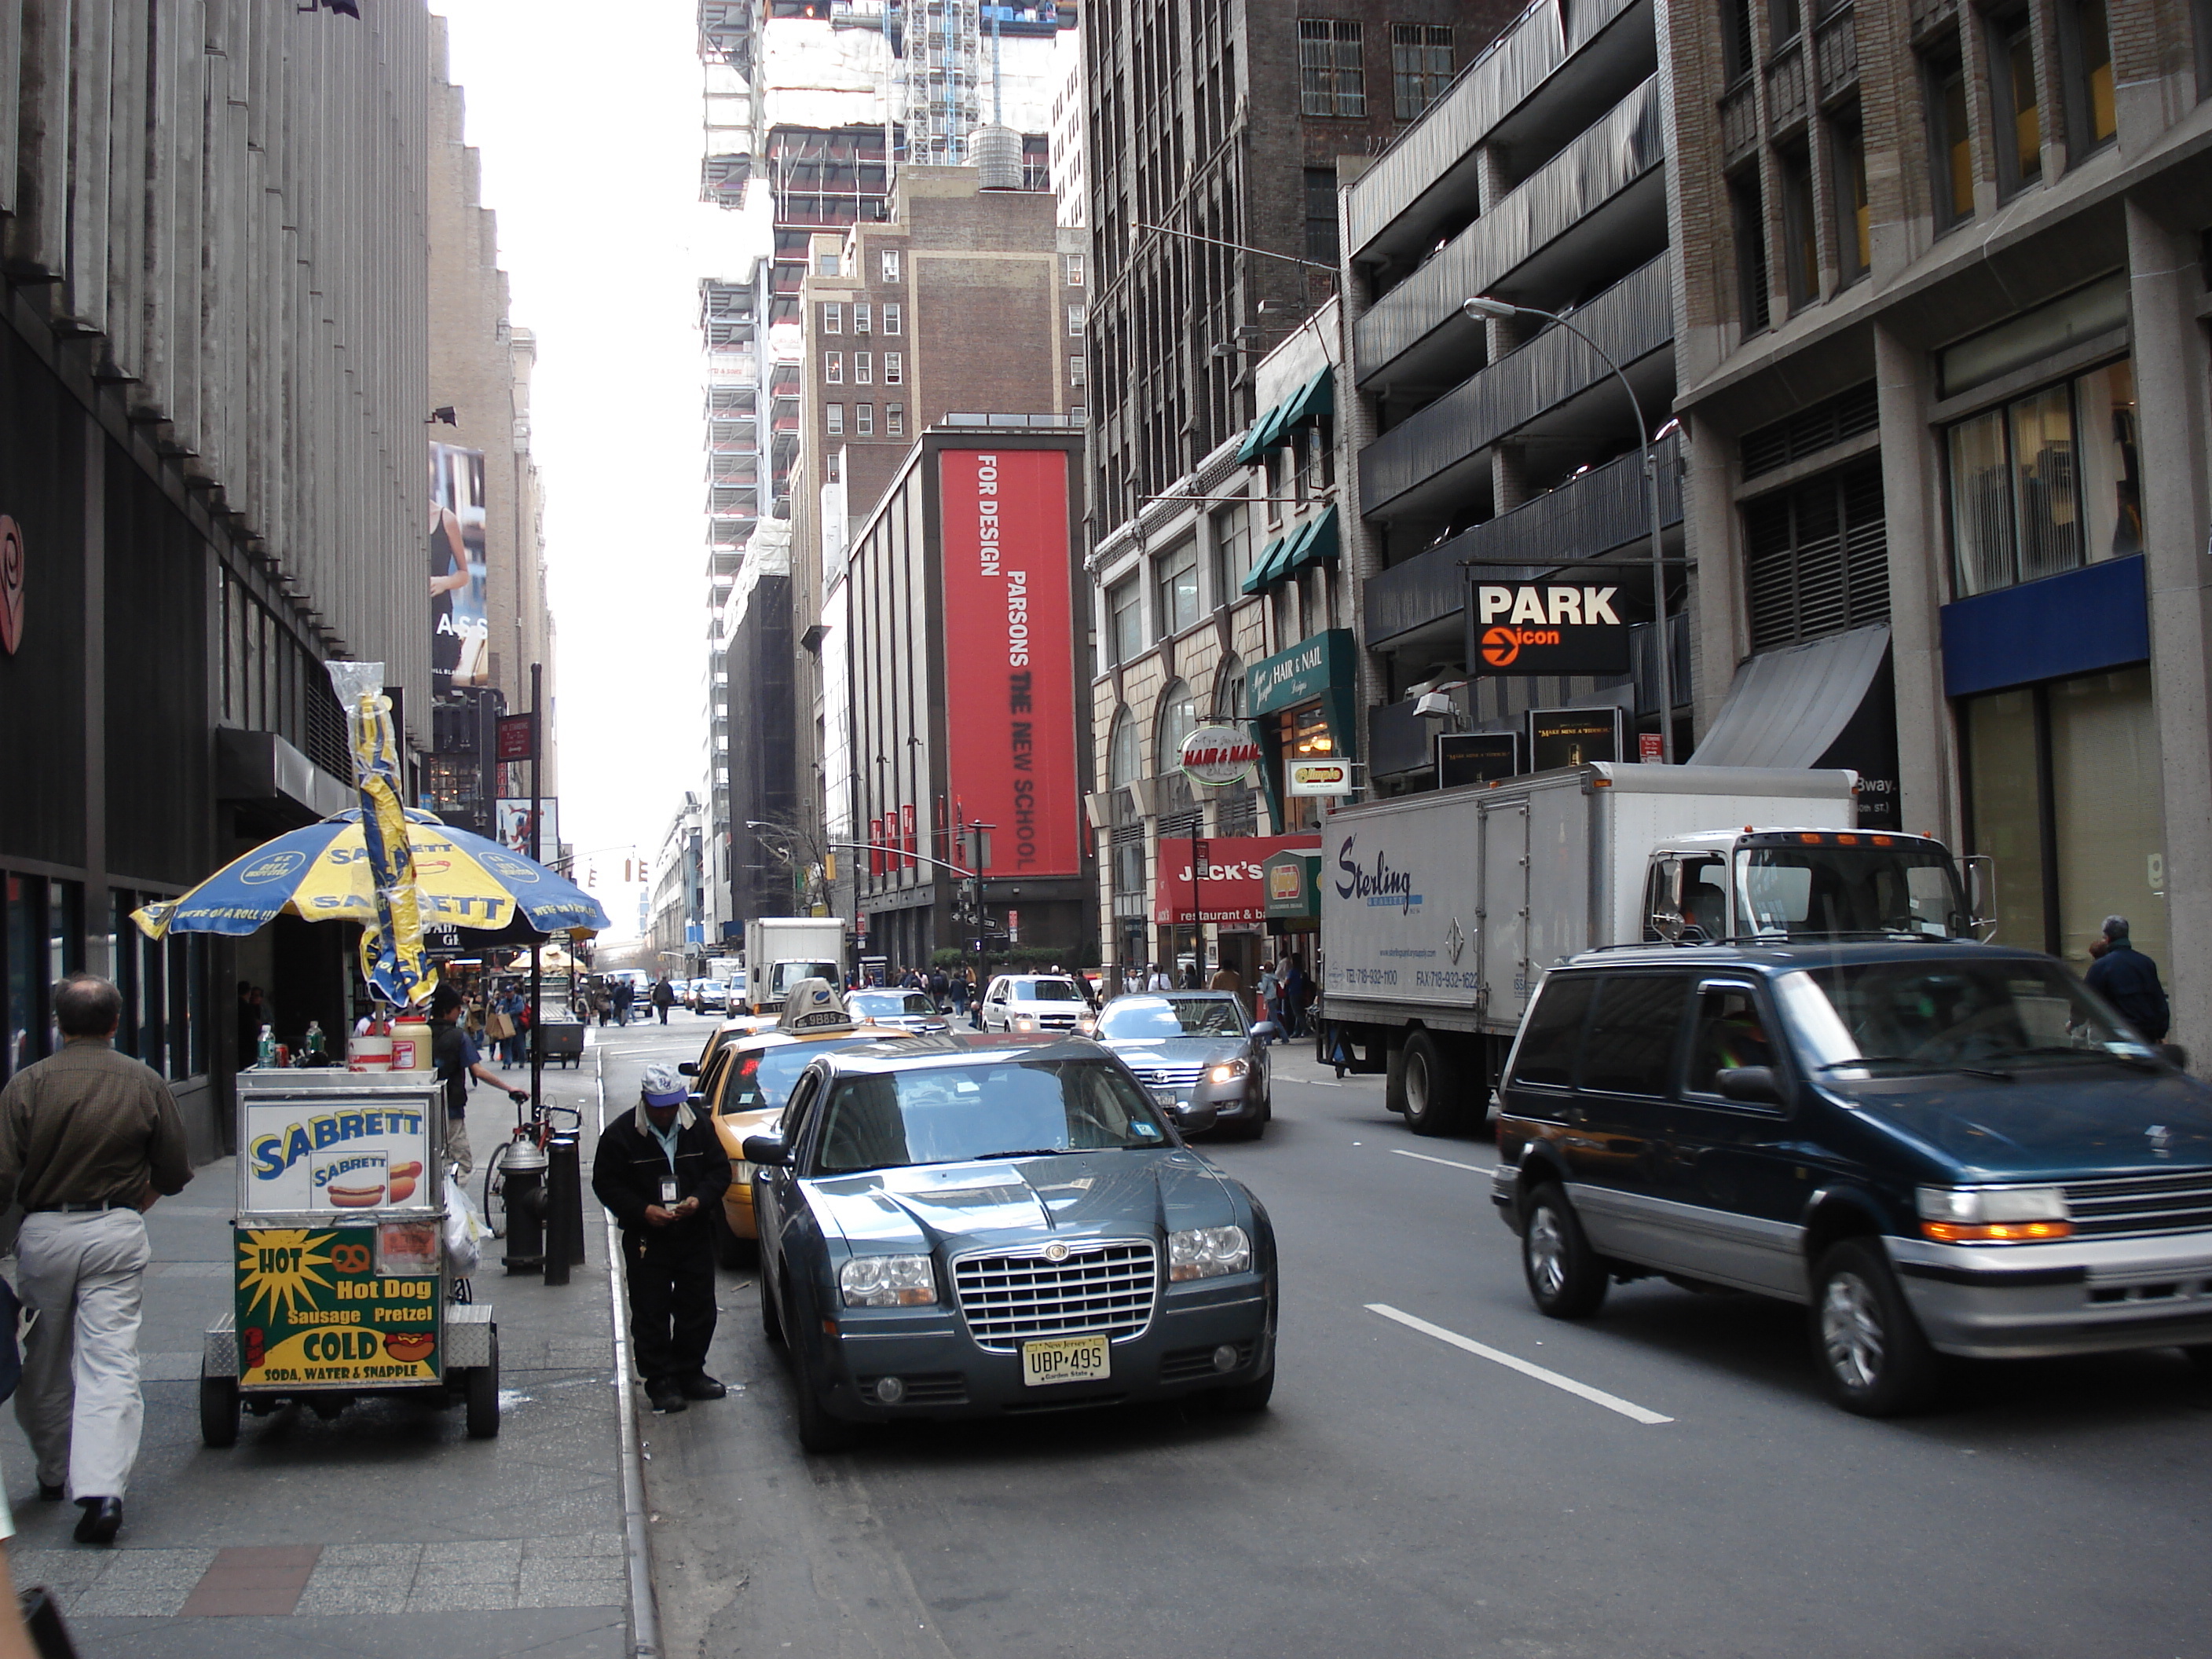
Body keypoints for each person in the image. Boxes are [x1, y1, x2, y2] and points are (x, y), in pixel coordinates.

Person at [0, 974, 192, 1545]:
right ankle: (102, 1490)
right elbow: (174, 1171)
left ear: (58, 1024)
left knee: (44, 1355)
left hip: (44, 1232)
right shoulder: (144, 1080)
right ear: (116, 1022)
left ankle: (55, 1469)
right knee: (110, 1359)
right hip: (116, 1227)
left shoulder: (26, 1085)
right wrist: (135, 1206)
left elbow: (3, 1175)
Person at [592, 1064, 732, 1415]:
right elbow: (606, 1183)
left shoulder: (698, 1126)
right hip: (647, 1237)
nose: (669, 1113)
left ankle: (690, 1371)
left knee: (697, 1305)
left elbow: (719, 1170)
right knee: (650, 1309)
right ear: (646, 1101)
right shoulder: (621, 1134)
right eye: (661, 1106)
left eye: (673, 1105)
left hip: (692, 1230)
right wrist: (642, 1211)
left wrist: (699, 1199)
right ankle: (660, 1379)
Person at [431, 988, 529, 1177]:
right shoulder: (458, 1036)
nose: (460, 1012)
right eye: (456, 1009)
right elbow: (478, 1071)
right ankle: (454, 1202)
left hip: (421, 1111)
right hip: (451, 1107)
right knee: (461, 1162)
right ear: (446, 1011)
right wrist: (509, 1087)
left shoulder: (421, 1033)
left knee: (430, 1161)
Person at [2085, 915, 2170, 1041]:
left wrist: (2074, 1023)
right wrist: (2160, 1032)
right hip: (2147, 1034)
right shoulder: (2146, 963)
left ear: (2107, 938)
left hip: (2118, 1036)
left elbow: (2086, 1001)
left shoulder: (2101, 966)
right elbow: (2158, 1000)